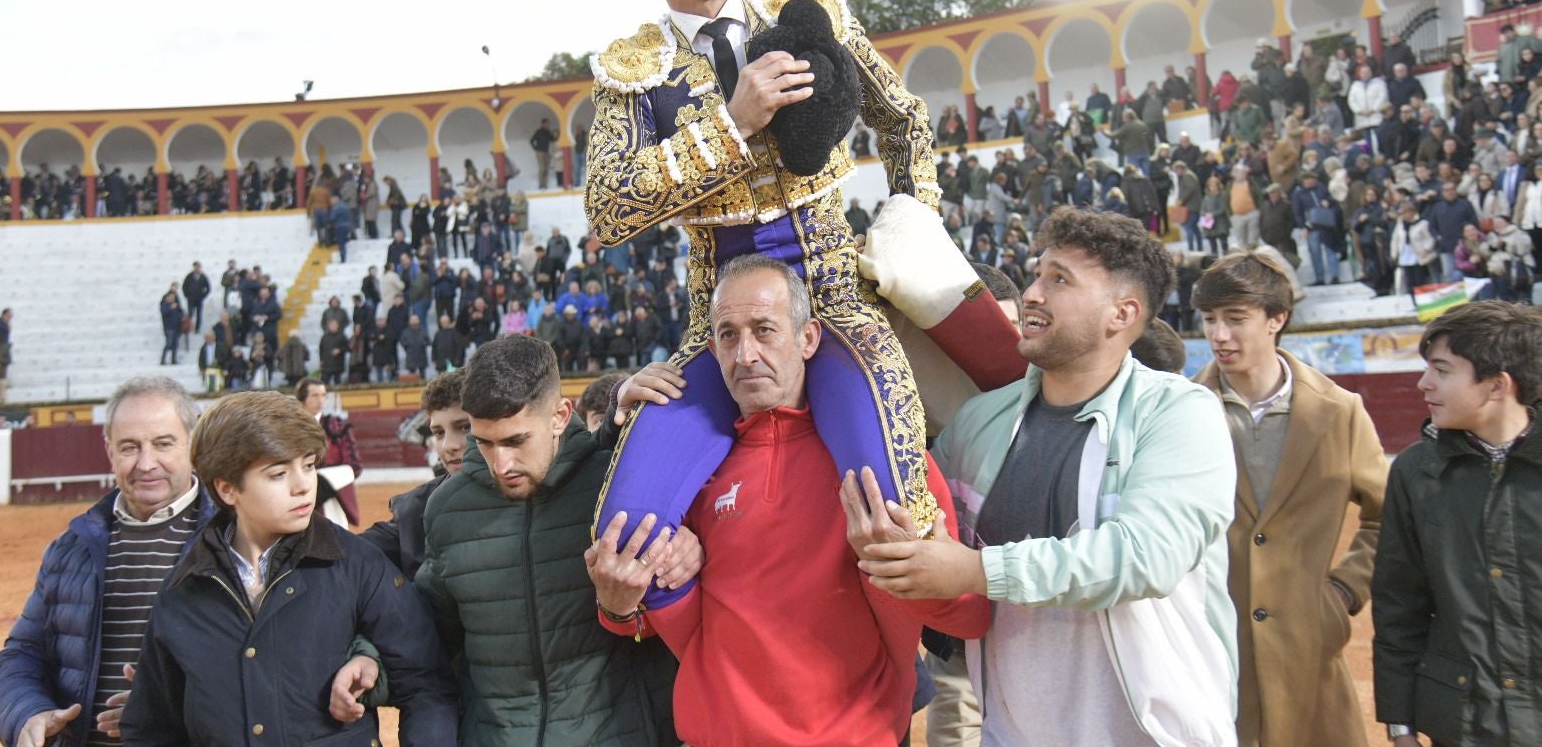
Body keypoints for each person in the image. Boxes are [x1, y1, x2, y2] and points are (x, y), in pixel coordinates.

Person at [586, 0, 960, 578]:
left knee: (896, 513)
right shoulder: (633, 72)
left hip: (838, 309)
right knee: (621, 536)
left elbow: (906, 121)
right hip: (720, 333)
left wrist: (916, 227)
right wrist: (731, 123)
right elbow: (609, 204)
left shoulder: (810, 16)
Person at [858, 208, 1239, 746]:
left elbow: (1143, 557)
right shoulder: (978, 423)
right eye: (1038, 274)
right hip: (1011, 733)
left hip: (1151, 734)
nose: (1033, 293)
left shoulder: (1180, 413)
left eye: (1059, 279)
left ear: (1121, 314)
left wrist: (977, 571)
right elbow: (926, 533)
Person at [587, 256, 989, 747]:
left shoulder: (889, 463)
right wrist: (617, 605)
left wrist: (904, 563)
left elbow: (968, 618)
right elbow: (640, 622)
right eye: (729, 335)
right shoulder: (688, 476)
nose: (746, 354)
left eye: (764, 329)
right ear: (711, 349)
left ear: (808, 338)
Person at [120, 391, 458, 746]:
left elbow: (427, 686)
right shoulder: (182, 588)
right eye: (278, 473)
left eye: (309, 465)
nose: (303, 486)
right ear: (227, 488)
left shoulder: (359, 564)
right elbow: (151, 728)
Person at [417, 336, 687, 745]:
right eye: (484, 442)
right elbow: (427, 636)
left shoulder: (620, 488)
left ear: (560, 415)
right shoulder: (446, 509)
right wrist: (368, 656)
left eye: (515, 441)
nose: (500, 464)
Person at [1192, 251, 1389, 746]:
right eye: (1210, 320)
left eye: (1235, 319)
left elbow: (1387, 517)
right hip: (1212, 650)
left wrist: (1343, 592)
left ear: (1277, 319)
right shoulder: (1180, 410)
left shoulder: (1341, 411)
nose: (1219, 335)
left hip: (1309, 646)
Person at [0, 379, 220, 747]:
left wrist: (168, 708)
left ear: (193, 443)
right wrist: (26, 712)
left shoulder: (237, 539)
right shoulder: (71, 549)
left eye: (163, 444)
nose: (147, 464)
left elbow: (270, 666)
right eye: (129, 447)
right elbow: (22, 653)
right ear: (109, 450)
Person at [1372, 301, 1542, 746]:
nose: (1423, 383)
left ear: (1497, 385)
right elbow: (1398, 605)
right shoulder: (1415, 473)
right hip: (1467, 723)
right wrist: (1400, 724)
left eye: (1442, 370)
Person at [364, 371, 471, 579]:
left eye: (465, 427)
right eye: (439, 432)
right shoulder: (415, 512)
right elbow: (353, 551)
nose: (449, 446)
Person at [182, 262, 210, 332]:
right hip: (191, 299)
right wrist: (187, 295)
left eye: (198, 267)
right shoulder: (189, 276)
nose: (197, 268)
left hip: (199, 299)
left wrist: (203, 296)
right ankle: (189, 328)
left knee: (199, 314)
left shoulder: (203, 276)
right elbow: (184, 286)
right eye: (195, 267)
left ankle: (197, 329)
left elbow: (208, 288)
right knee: (190, 314)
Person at [530, 117, 556, 190]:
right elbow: (531, 141)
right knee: (542, 168)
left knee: (546, 169)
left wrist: (551, 132)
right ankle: (541, 185)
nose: (548, 125)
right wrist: (536, 149)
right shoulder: (538, 132)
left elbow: (553, 139)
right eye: (546, 123)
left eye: (548, 124)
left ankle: (545, 185)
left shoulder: (548, 132)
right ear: (543, 124)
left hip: (547, 152)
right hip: (540, 152)